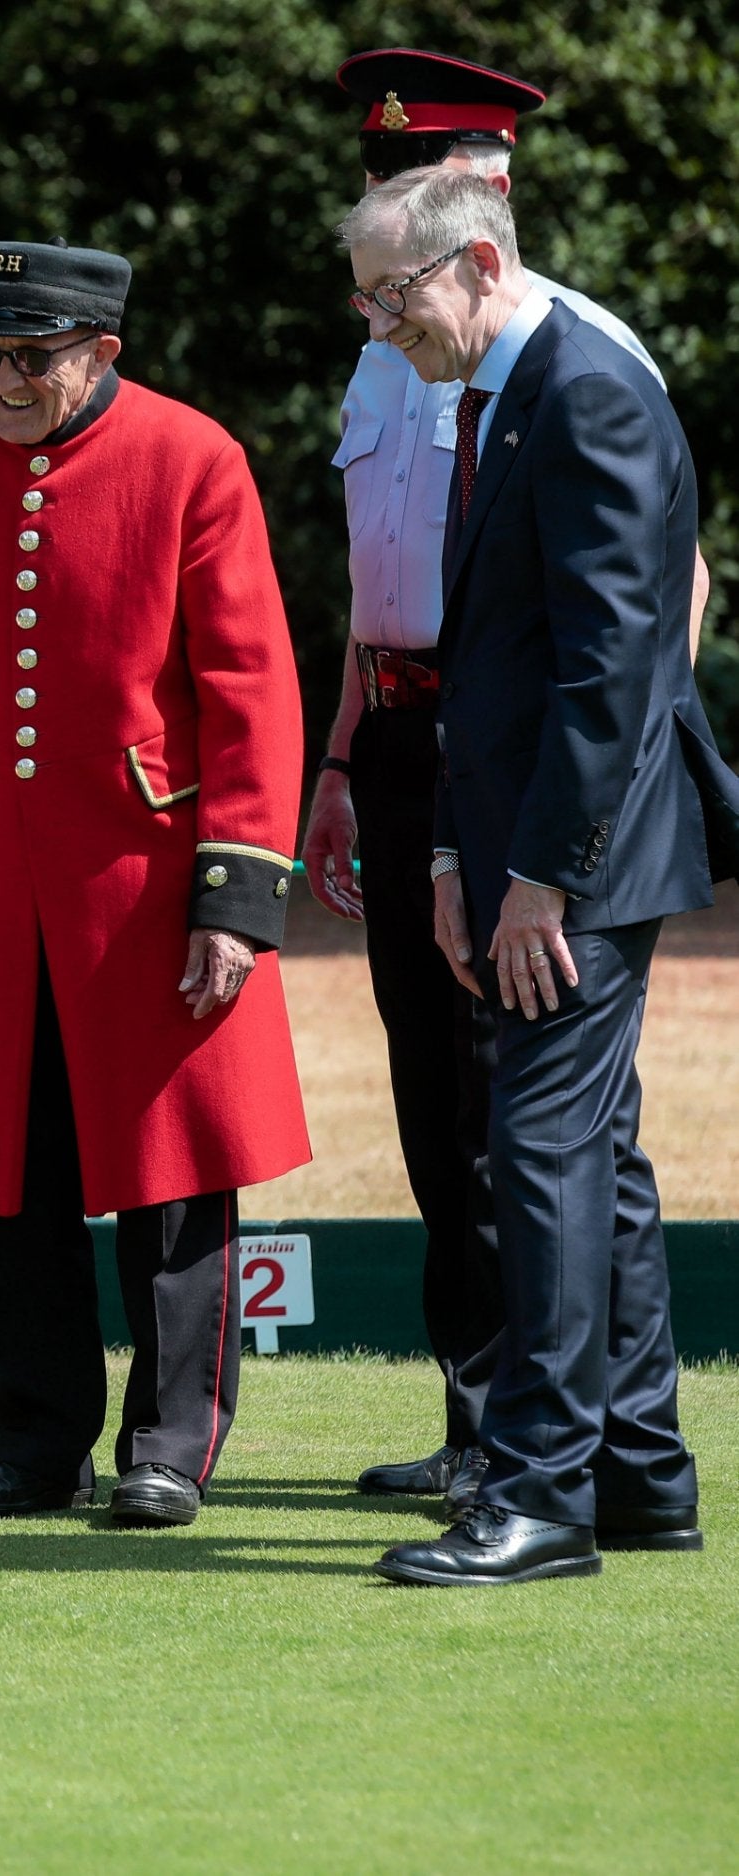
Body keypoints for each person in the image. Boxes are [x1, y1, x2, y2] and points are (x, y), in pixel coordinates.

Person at [305, 48, 713, 1511]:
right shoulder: (439, 357)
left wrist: (546, 860)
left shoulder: (580, 372)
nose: (380, 319)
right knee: (531, 1132)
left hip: (563, 805)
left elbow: (631, 643)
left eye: (394, 289)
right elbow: (404, 598)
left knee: (533, 1137)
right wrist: (374, 782)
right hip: (447, 769)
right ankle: (639, 1467)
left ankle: (537, 1477)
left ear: (485, 225)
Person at [0, 239, 311, 1530]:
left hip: (150, 879)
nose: (0, 378)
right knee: (15, 1175)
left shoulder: (196, 458)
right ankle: (37, 1447)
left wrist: (234, 895)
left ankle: (169, 1450)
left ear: (102, 353)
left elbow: (250, 687)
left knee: (172, 1172)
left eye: (30, 355)